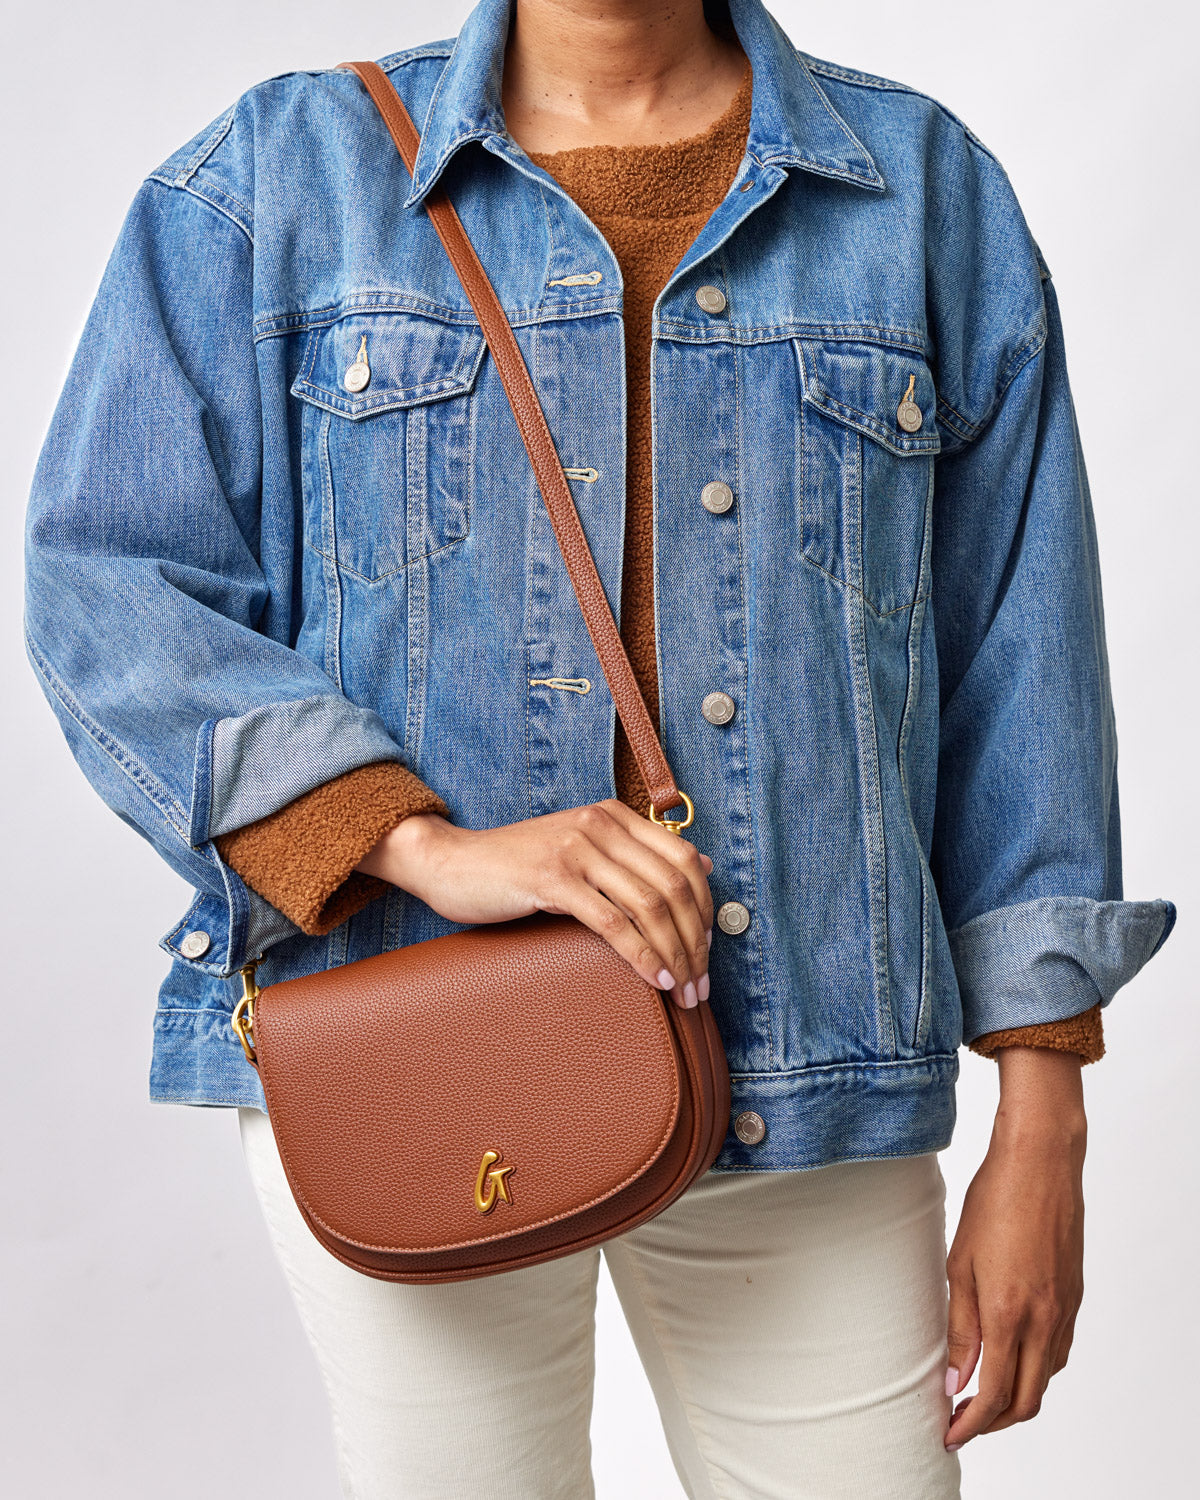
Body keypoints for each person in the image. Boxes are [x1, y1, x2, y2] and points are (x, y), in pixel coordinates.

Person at [24, 0, 1176, 1494]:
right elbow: (108, 578)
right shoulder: (278, 180)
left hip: (809, 1064)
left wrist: (1046, 1108)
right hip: (416, 1045)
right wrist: (417, 842)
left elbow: (1022, 659)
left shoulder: (921, 189)